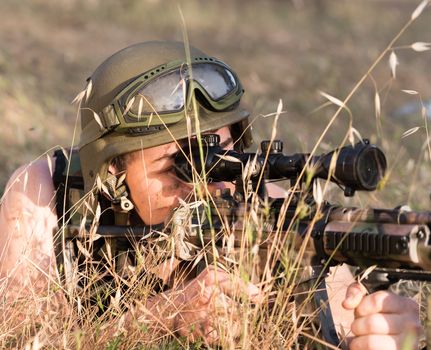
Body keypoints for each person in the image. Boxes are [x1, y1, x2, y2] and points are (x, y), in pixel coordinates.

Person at [0, 41, 422, 349]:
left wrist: (376, 338)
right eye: (179, 168)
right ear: (113, 168)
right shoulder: (46, 195)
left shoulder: (271, 212)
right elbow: (21, 339)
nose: (208, 186)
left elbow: (351, 322)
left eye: (222, 158)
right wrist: (160, 318)